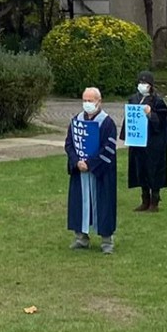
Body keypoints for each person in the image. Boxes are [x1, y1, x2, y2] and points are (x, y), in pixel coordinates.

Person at [65, 86, 119, 253]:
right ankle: (81, 238)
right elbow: (69, 144)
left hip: (100, 173)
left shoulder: (107, 123)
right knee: (79, 205)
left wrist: (91, 164)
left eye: (90, 101)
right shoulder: (76, 120)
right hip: (80, 172)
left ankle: (107, 242)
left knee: (103, 205)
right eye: (85, 100)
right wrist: (76, 162)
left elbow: (108, 148)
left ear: (99, 102)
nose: (87, 104)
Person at [126, 70, 167, 212]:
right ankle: (144, 199)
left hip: (154, 143)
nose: (142, 85)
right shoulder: (134, 99)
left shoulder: (158, 101)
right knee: (141, 170)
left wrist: (150, 114)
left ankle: (154, 200)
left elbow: (162, 123)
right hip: (139, 143)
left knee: (154, 171)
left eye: (145, 83)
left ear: (151, 85)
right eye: (140, 82)